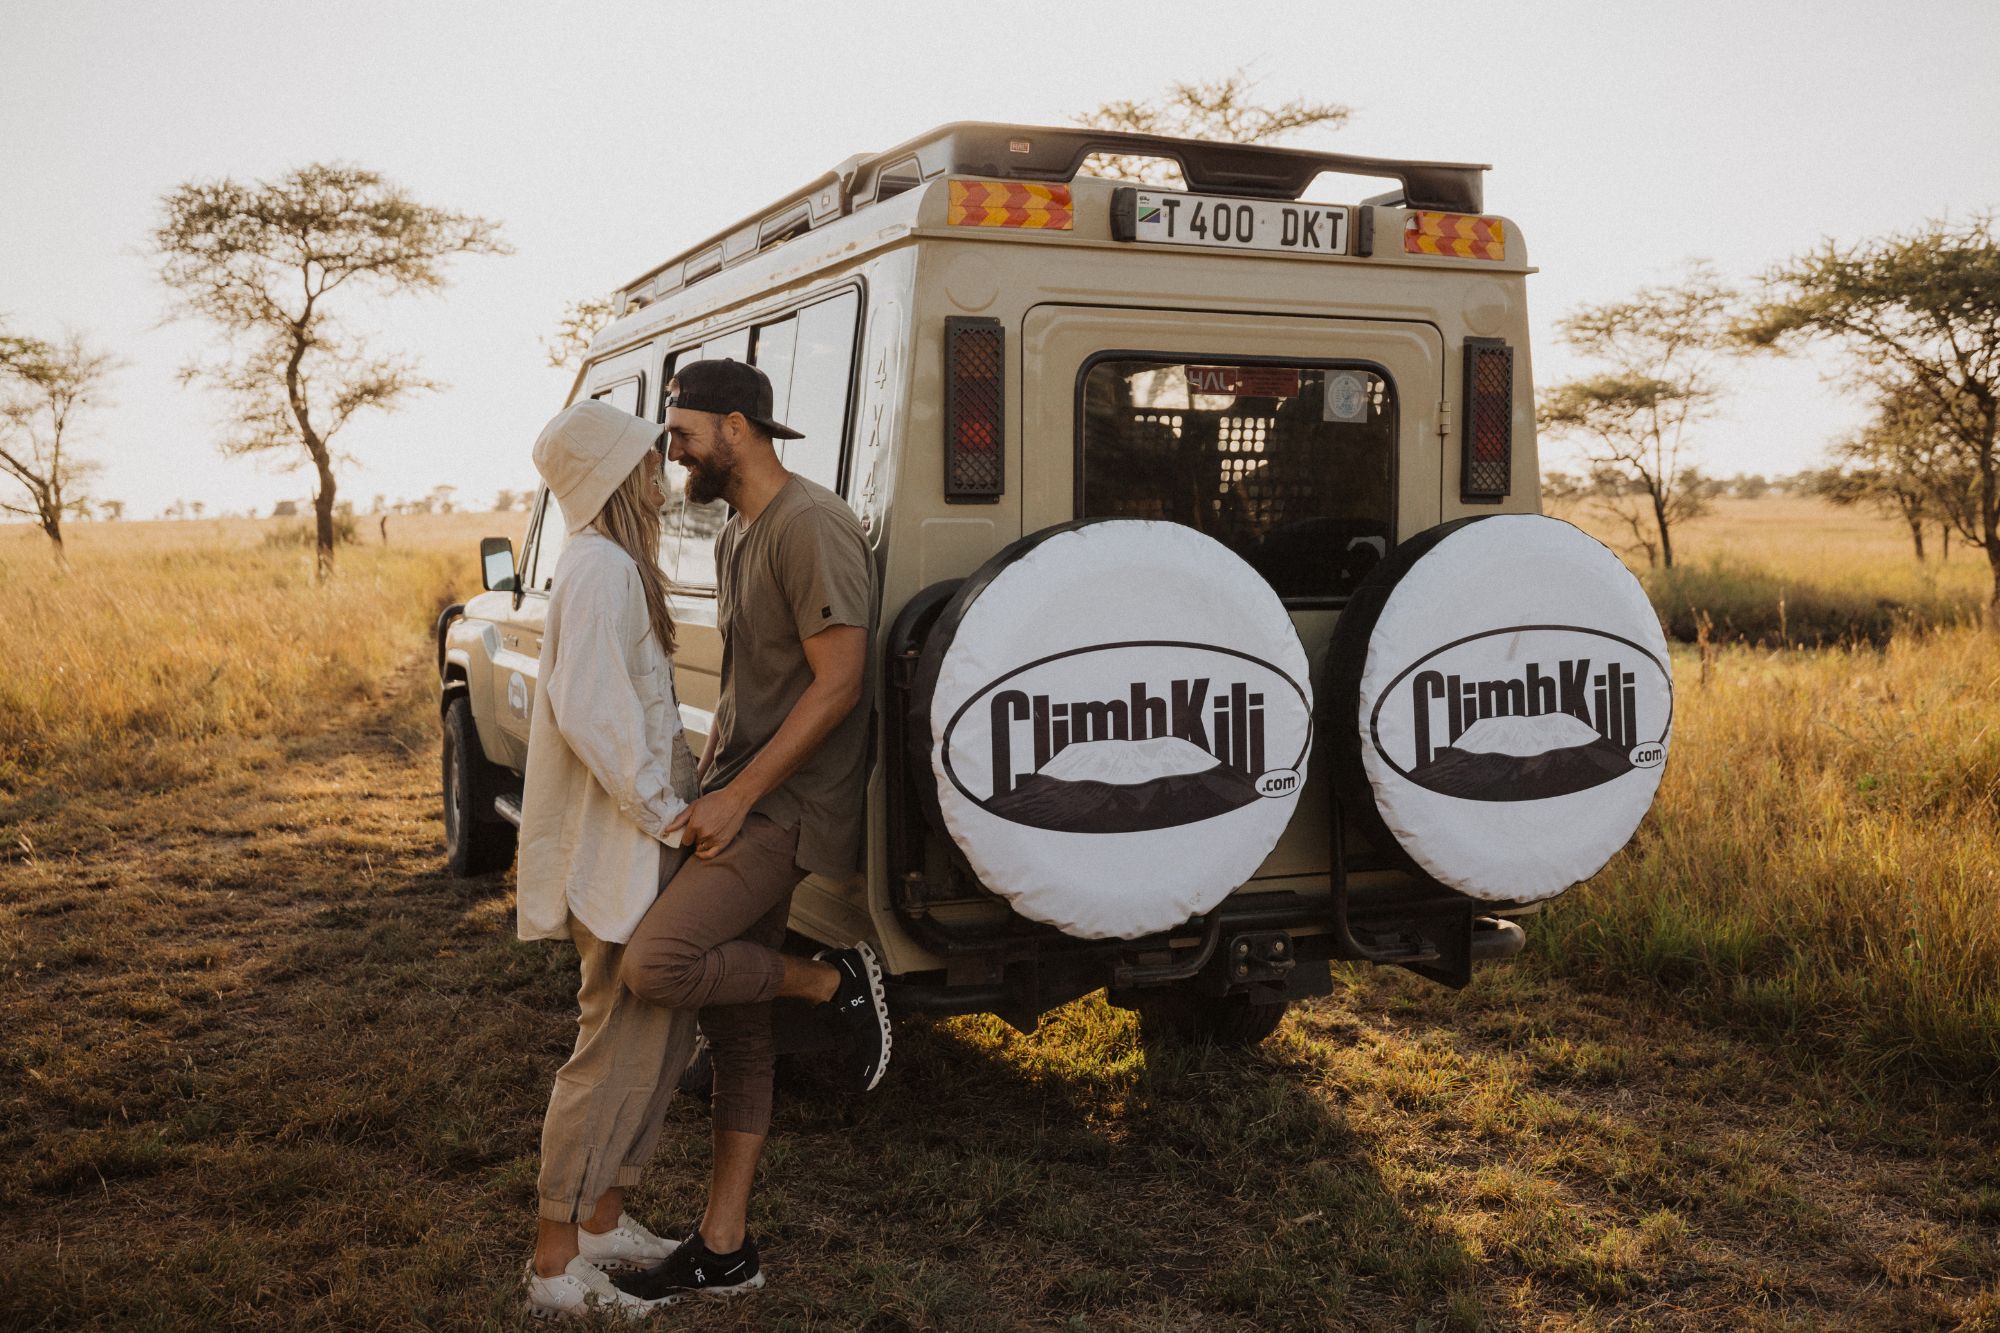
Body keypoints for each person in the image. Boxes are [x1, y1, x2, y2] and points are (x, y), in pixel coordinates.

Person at [609, 358, 888, 1304]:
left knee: (658, 963)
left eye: (681, 432)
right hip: (745, 790)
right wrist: (706, 776)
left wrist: (739, 797)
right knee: (735, 1025)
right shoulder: (740, 531)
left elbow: (840, 682)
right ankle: (724, 1245)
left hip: (791, 806)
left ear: (736, 426)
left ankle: (831, 980)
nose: (672, 449)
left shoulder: (811, 525)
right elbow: (751, 686)